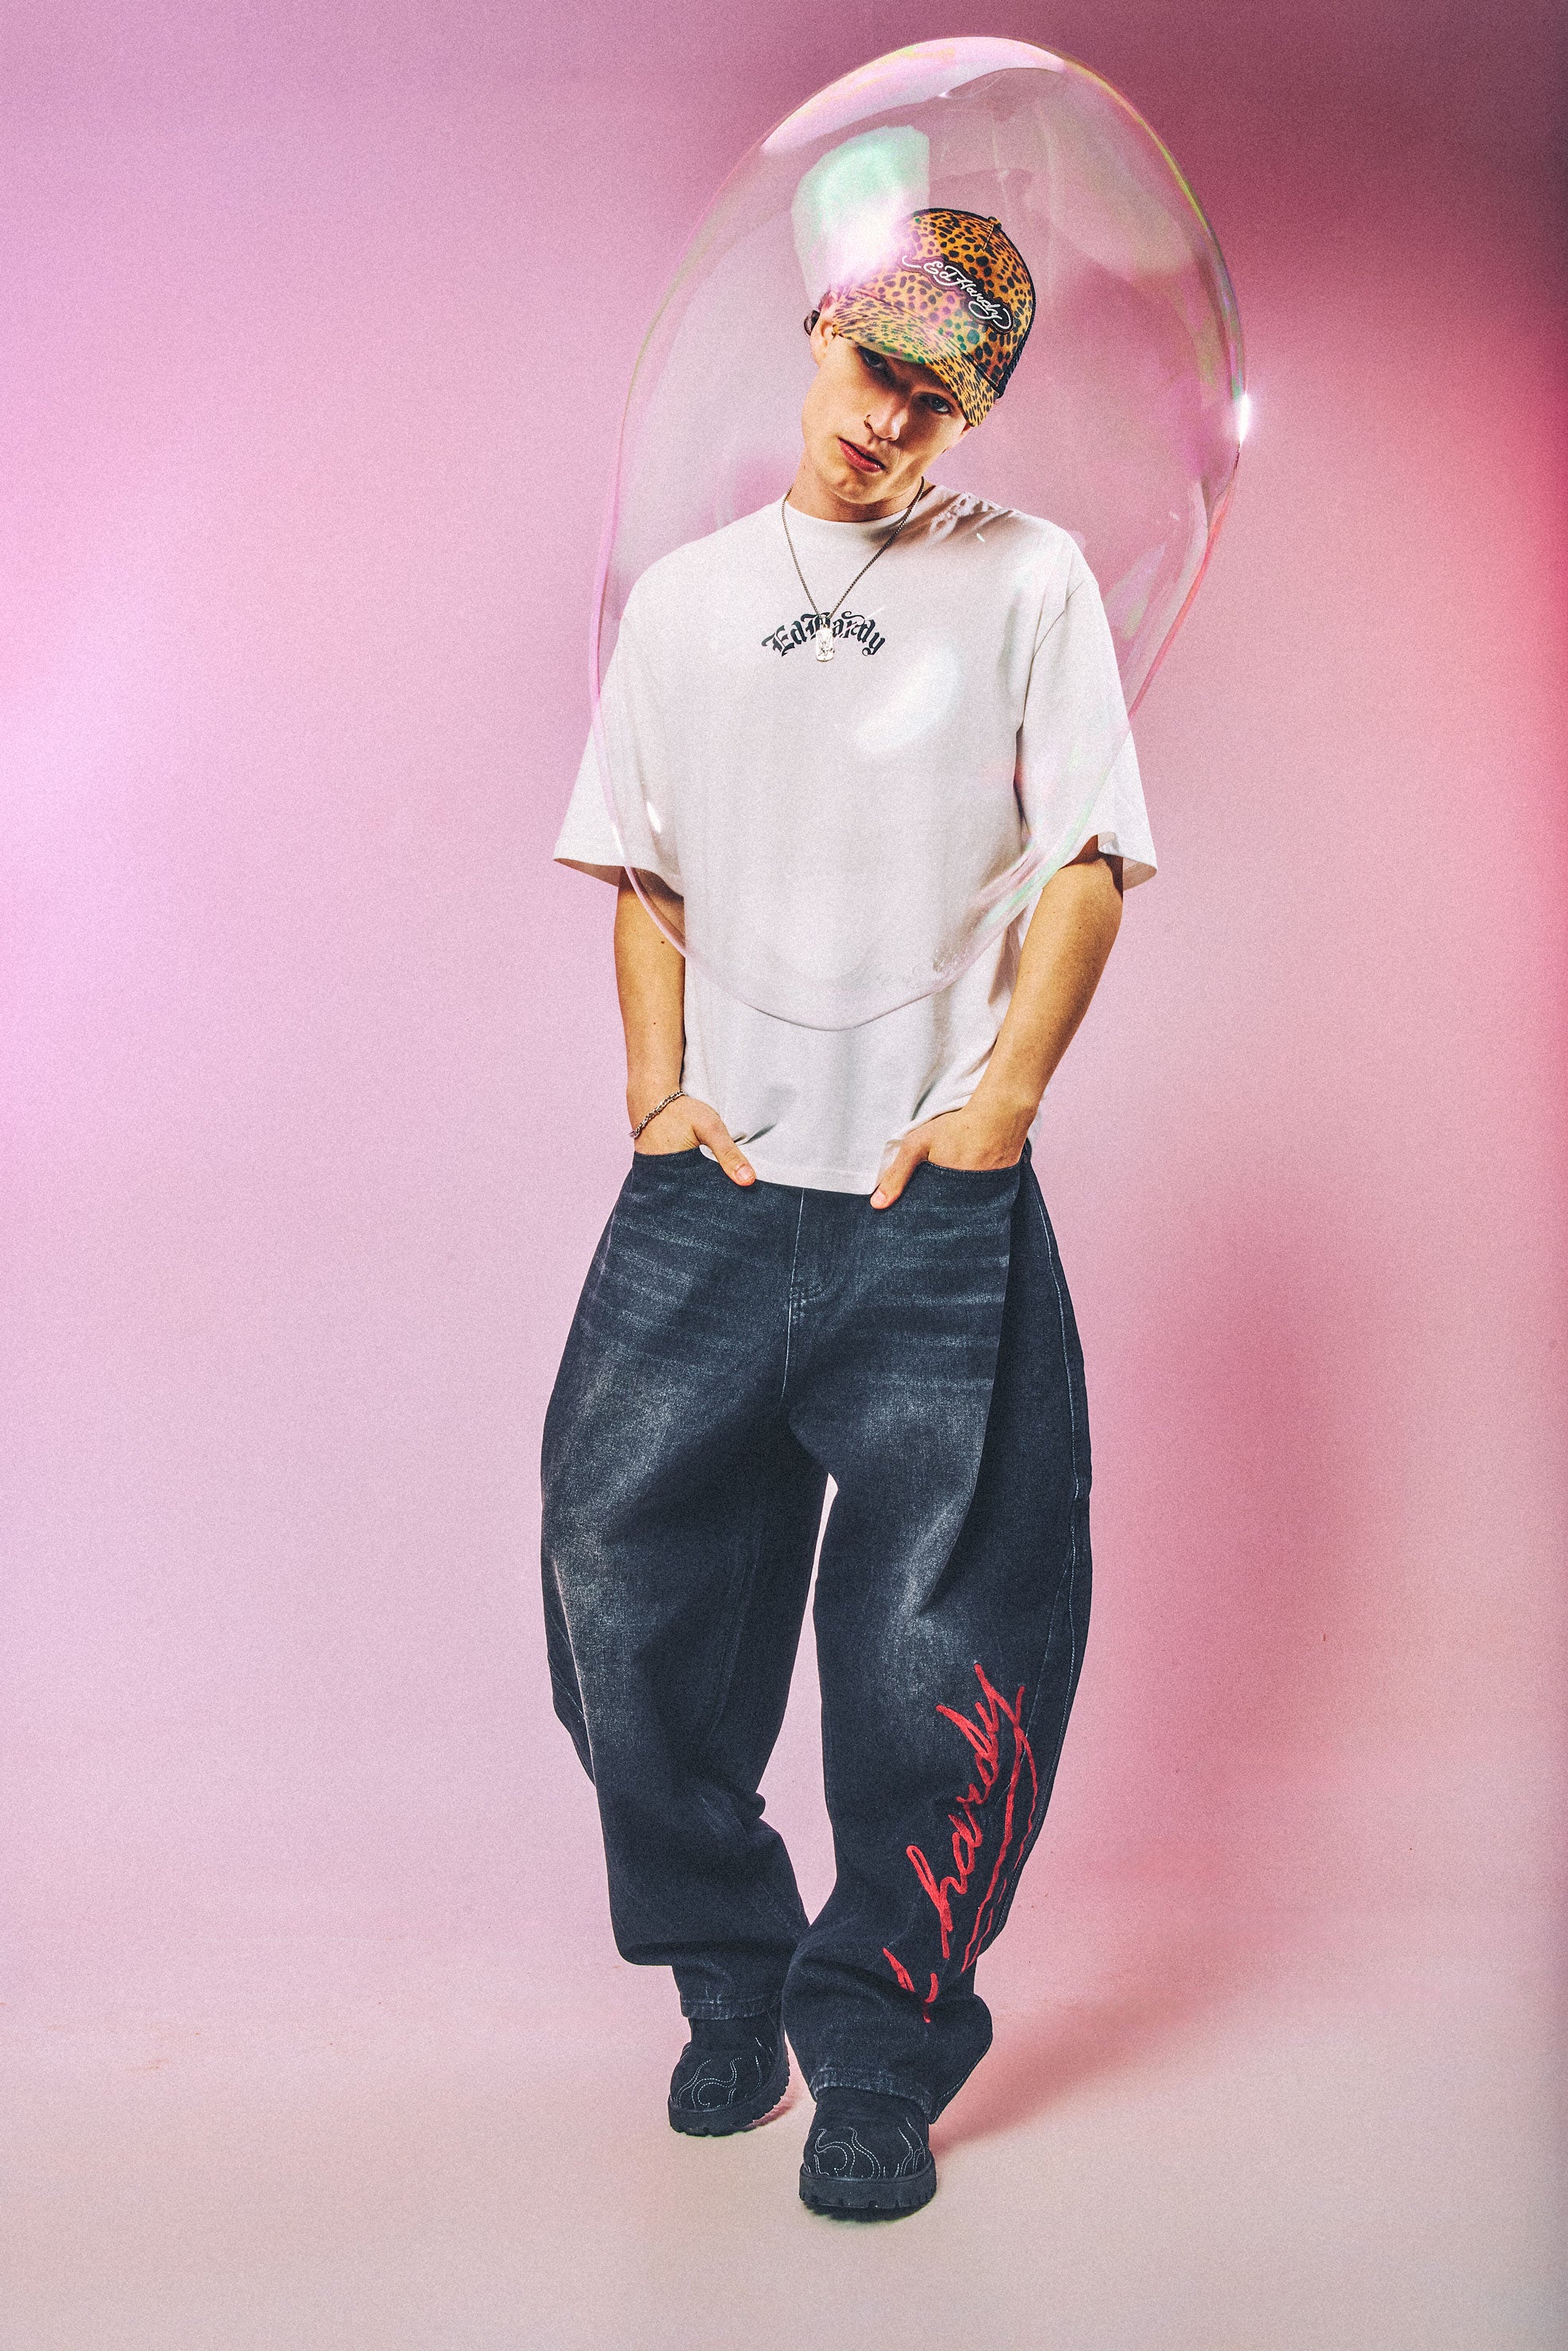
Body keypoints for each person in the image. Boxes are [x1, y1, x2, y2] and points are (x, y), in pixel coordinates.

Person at [541, 208, 1156, 2220]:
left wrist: (1000, 1107)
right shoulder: (688, 601)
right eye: (876, 366)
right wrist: (656, 1096)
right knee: (618, 1592)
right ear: (819, 327)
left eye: (939, 398)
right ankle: (728, 1977)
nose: (890, 419)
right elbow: (644, 871)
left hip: (930, 1212)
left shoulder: (1029, 578)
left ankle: (878, 2056)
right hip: (710, 1195)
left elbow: (1086, 857)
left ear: (975, 416)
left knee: (937, 1659)